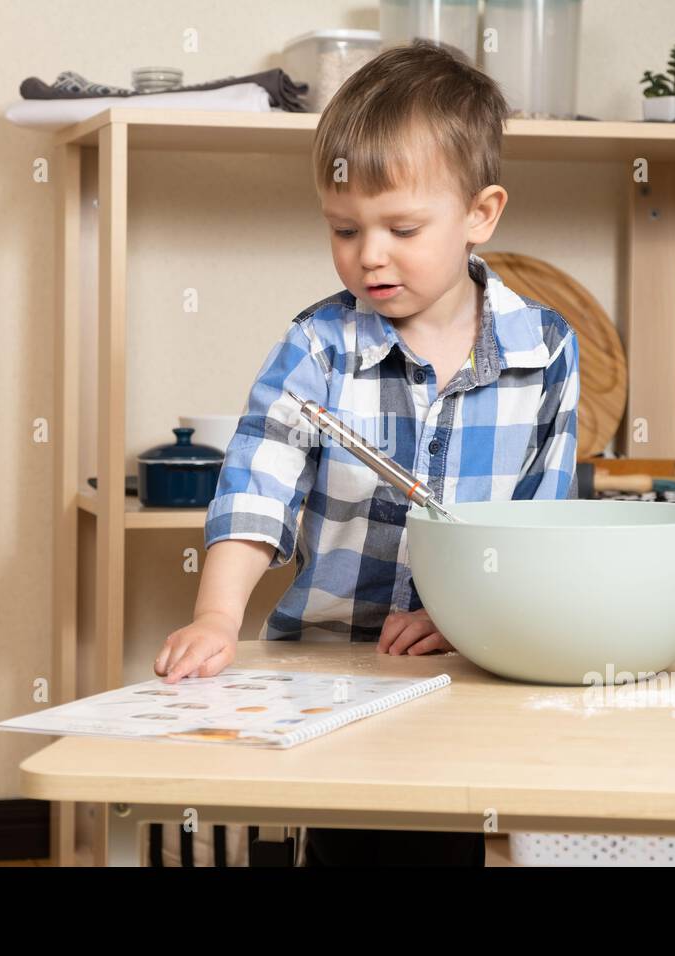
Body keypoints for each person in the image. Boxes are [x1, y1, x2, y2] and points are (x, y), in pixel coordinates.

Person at [153, 39, 580, 867]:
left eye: (402, 228)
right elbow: (256, 486)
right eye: (344, 229)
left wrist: (468, 622)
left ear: (481, 214)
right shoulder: (318, 346)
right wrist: (217, 616)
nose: (369, 255)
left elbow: (540, 524)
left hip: (473, 666)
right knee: (353, 844)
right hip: (330, 667)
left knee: (448, 841)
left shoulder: (548, 349)